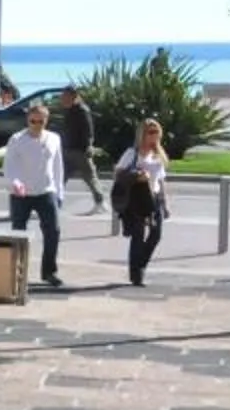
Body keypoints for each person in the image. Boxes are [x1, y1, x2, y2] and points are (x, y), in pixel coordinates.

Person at [2, 101, 66, 288]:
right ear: (27, 120)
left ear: (46, 121)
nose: (37, 125)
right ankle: (16, 271)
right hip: (21, 194)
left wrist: (60, 193)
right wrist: (15, 182)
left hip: (46, 191)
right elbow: (9, 166)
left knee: (53, 231)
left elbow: (58, 167)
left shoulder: (54, 138)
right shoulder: (17, 139)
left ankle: (49, 272)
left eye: (41, 121)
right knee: (18, 232)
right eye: (33, 121)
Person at [115, 119, 173, 286]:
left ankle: (141, 264)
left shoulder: (158, 154)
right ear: (142, 134)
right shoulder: (132, 153)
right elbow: (118, 173)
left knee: (156, 235)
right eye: (150, 132)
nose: (154, 136)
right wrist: (137, 176)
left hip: (154, 197)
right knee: (138, 235)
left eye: (156, 132)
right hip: (137, 198)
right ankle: (136, 274)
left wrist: (165, 202)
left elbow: (161, 180)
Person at [56, 87, 102, 215]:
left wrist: (88, 146)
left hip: (80, 151)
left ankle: (100, 203)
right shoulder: (69, 110)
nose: (62, 99)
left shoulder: (82, 110)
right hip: (68, 150)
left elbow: (89, 131)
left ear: (74, 97)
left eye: (65, 96)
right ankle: (56, 203)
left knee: (90, 177)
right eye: (62, 97)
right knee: (60, 177)